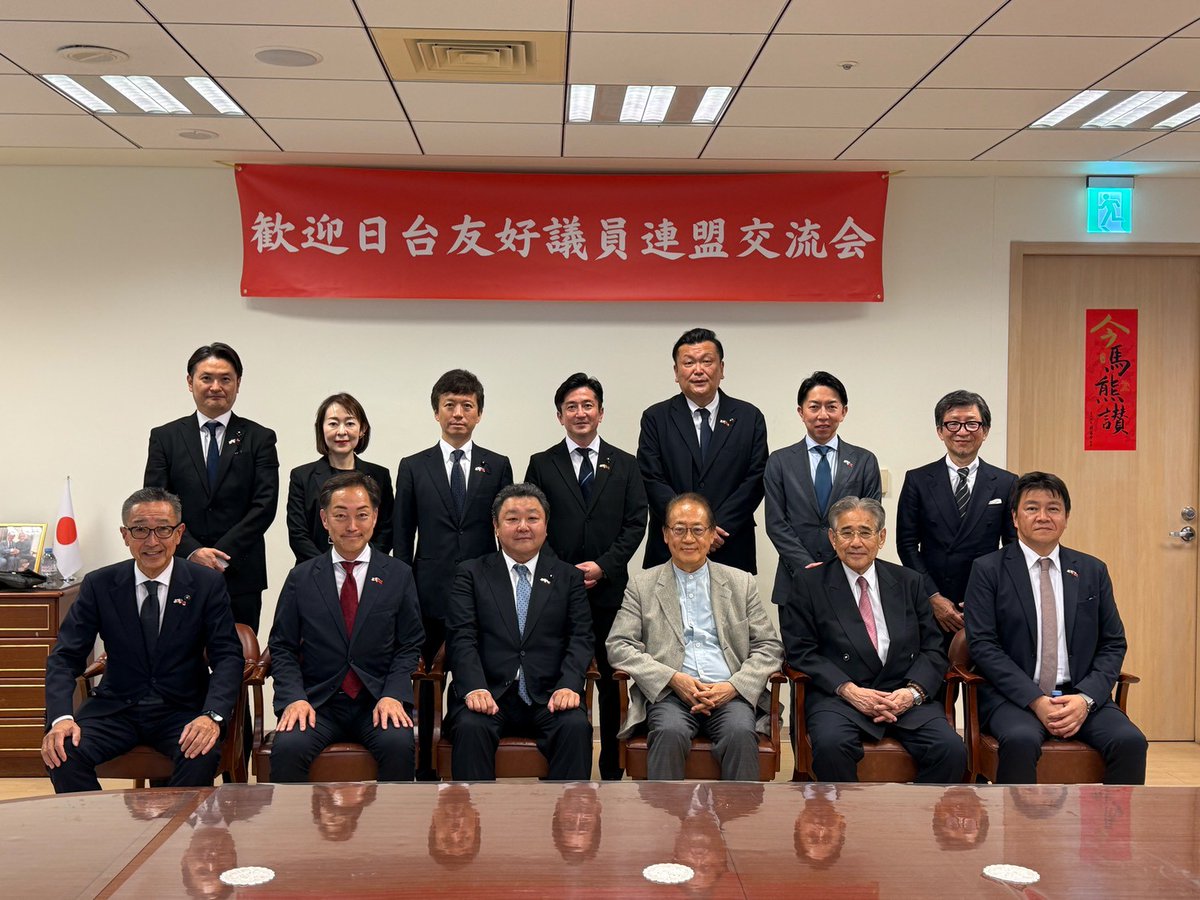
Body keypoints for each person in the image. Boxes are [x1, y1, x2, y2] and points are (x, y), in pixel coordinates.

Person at [41, 487, 242, 793]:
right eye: (140, 530)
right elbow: (65, 657)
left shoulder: (206, 583)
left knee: (200, 753)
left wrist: (211, 715)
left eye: (163, 529)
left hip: (182, 709)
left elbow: (227, 656)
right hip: (115, 709)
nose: (152, 541)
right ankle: (97, 825)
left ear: (179, 533)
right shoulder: (100, 584)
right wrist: (61, 718)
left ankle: (176, 825)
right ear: (125, 535)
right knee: (63, 752)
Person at [964, 471, 1147, 784]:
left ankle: (1110, 820)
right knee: (1020, 740)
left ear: (1066, 518)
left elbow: (1113, 643)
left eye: (1053, 508)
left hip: (1080, 696)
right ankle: (1021, 820)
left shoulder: (1092, 570)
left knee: (1130, 741)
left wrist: (1085, 699)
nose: (1043, 517)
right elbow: (983, 645)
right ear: (1015, 518)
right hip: (1014, 698)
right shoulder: (988, 570)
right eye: (1031, 508)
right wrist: (1035, 700)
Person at [782, 496, 965, 783]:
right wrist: (849, 690)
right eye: (846, 532)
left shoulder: (909, 581)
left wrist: (912, 693)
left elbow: (933, 648)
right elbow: (801, 650)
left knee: (951, 750)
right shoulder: (809, 584)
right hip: (840, 697)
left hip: (900, 693)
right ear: (832, 538)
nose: (856, 542)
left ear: (881, 537)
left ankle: (914, 812)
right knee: (831, 746)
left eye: (865, 532)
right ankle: (851, 813)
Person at [607, 493, 782, 781]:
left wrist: (733, 686)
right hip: (670, 695)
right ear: (665, 535)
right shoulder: (642, 585)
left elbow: (769, 647)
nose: (688, 538)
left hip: (728, 694)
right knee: (669, 731)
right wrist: (673, 678)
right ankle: (666, 812)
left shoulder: (741, 583)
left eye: (697, 530)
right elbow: (619, 645)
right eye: (679, 529)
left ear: (712, 535)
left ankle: (740, 812)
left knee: (740, 732)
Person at [525, 373, 647, 780]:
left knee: (612, 681)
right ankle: (559, 767)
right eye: (571, 407)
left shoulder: (626, 464)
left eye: (587, 405)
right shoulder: (542, 464)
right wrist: (563, 573)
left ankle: (611, 768)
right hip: (555, 591)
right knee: (559, 674)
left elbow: (636, 523)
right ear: (560, 416)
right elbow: (533, 522)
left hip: (610, 592)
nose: (580, 413)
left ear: (601, 412)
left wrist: (604, 566)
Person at [394, 368, 513, 779]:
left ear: (479, 413)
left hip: (482, 593)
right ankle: (425, 766)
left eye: (467, 406)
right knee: (426, 680)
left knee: (472, 675)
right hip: (426, 592)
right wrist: (404, 590)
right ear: (436, 412)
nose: (458, 413)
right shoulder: (413, 466)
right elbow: (402, 535)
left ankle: (464, 760)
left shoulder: (497, 465)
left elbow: (505, 533)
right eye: (450, 405)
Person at [267, 472, 423, 783]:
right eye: (341, 515)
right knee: (289, 747)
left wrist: (393, 694)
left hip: (376, 700)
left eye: (362, 515)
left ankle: (393, 820)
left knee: (398, 745)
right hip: (318, 702)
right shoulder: (302, 577)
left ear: (375, 517)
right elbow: (282, 646)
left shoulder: (398, 574)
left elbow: (409, 644)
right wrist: (294, 698)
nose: (352, 526)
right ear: (325, 519)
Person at [443, 483, 593, 781]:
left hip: (550, 694)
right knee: (472, 727)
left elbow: (581, 638)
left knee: (574, 726)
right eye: (512, 519)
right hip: (487, 692)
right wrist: (474, 687)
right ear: (496, 526)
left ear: (546, 526)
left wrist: (569, 685)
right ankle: (473, 812)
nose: (523, 526)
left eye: (532, 518)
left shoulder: (568, 577)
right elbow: (461, 637)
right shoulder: (471, 573)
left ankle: (569, 811)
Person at [144, 342, 279, 632]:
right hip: (181, 568)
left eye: (225, 379)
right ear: (190, 382)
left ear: (238, 383)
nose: (215, 387)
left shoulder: (260, 438)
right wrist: (193, 551)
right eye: (206, 378)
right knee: (181, 652)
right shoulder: (165, 437)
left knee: (238, 652)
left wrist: (220, 555)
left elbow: (264, 505)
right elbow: (157, 505)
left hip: (240, 572)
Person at [637, 327, 768, 574]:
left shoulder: (749, 417)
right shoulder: (656, 418)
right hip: (671, 545)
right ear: (676, 372)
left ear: (721, 368)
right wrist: (685, 527)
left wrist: (713, 529)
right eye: (689, 363)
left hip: (729, 542)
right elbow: (651, 478)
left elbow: (756, 478)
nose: (698, 370)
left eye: (707, 361)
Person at [897, 390, 1016, 647]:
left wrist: (989, 594)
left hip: (986, 597)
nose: (962, 431)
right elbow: (906, 545)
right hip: (932, 600)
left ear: (985, 430)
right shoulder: (917, 480)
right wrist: (933, 596)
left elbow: (1013, 547)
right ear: (940, 431)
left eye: (972, 423)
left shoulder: (1006, 483)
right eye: (953, 424)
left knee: (984, 669)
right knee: (933, 669)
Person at [764, 370, 881, 606]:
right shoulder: (779, 461)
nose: (823, 415)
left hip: (849, 579)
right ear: (801, 412)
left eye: (831, 406)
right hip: (794, 580)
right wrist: (806, 566)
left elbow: (870, 521)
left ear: (843, 411)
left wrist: (840, 566)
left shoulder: (864, 461)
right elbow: (776, 523)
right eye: (814, 407)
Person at [286, 392, 395, 564]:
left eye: (350, 423)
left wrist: (361, 564)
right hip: (314, 571)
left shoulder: (379, 476)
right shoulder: (302, 477)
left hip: (367, 571)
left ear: (362, 429)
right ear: (321, 429)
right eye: (333, 424)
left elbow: (386, 530)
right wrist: (329, 568)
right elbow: (298, 535)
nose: (342, 432)